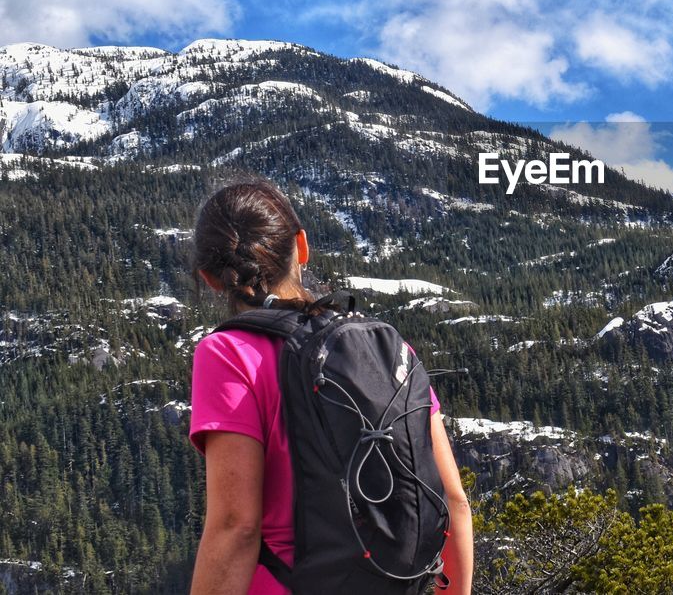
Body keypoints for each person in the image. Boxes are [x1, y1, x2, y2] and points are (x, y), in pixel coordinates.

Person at [186, 179, 473, 594]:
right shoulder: (386, 348)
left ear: (211, 278)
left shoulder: (227, 353)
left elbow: (237, 528)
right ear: (301, 246)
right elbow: (453, 501)